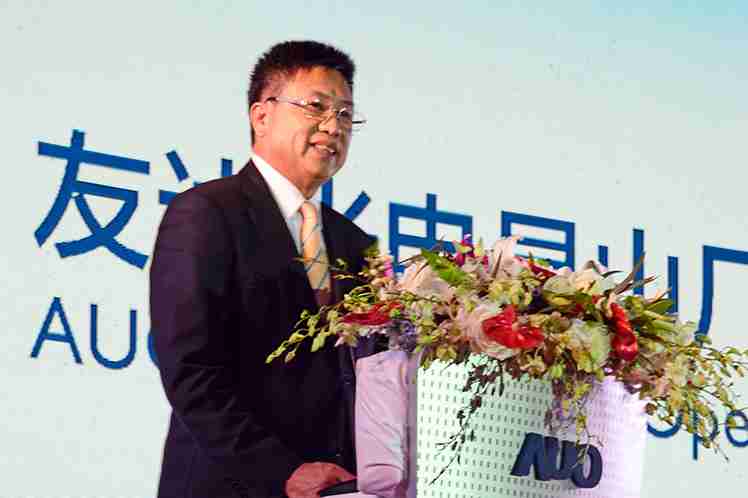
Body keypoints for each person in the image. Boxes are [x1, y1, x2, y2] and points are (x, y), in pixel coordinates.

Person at [150, 40, 374, 498]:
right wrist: (281, 470)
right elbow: (191, 370)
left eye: (346, 115)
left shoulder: (354, 243)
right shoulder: (207, 212)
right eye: (316, 106)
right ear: (262, 115)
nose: (334, 126)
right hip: (229, 486)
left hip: (334, 489)